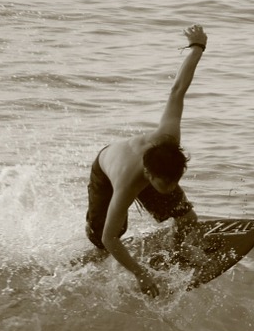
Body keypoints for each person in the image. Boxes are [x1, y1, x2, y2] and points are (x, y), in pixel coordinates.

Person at [85, 24, 210, 298]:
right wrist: (141, 274)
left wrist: (197, 47)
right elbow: (110, 237)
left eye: (174, 182)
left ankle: (180, 249)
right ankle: (88, 264)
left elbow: (177, 90)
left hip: (152, 165)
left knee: (187, 218)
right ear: (149, 176)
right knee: (106, 239)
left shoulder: (168, 138)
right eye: (163, 186)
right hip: (106, 172)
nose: (170, 189)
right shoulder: (129, 182)